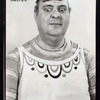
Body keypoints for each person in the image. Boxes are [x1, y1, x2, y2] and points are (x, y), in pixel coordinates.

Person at [6, 0, 95, 100]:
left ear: (69, 15)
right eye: (47, 9)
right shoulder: (15, 59)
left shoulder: (87, 58)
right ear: (36, 15)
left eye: (62, 9)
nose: (56, 15)